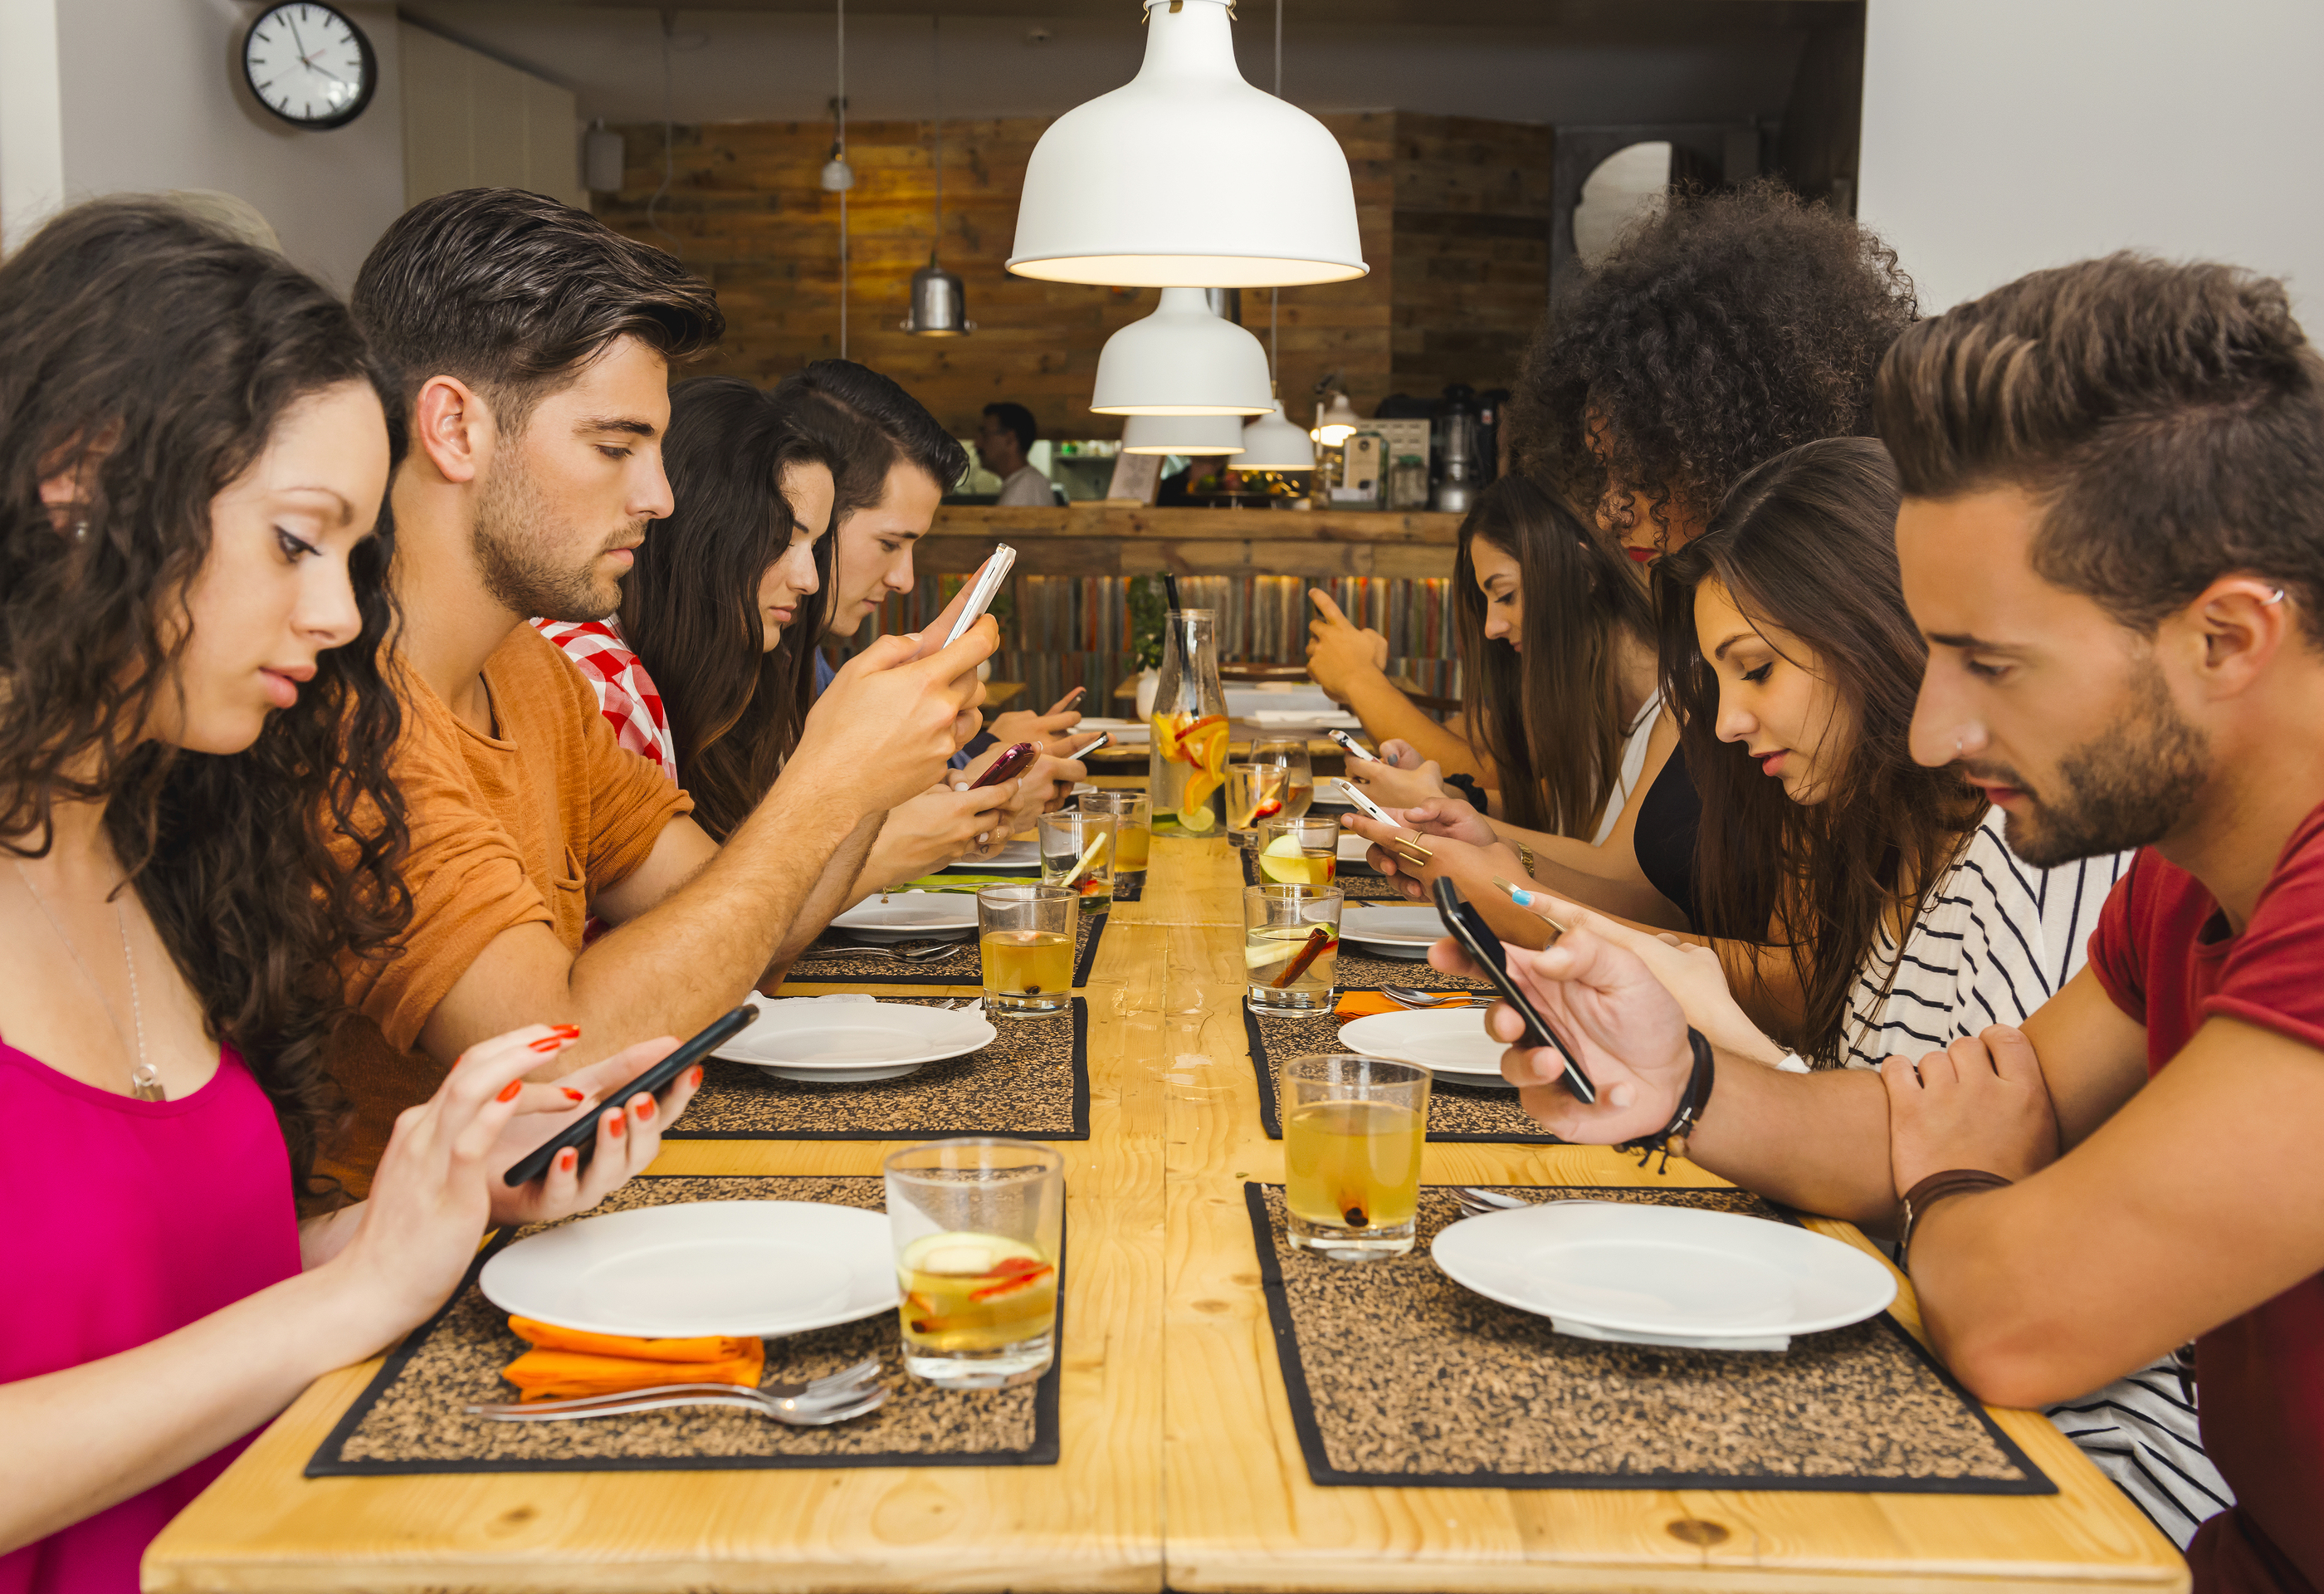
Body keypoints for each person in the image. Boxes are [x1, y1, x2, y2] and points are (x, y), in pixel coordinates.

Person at [1462, 255, 2324, 1588]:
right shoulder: (2181, 876)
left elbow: (2017, 1320)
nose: (1932, 731)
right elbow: (1911, 1114)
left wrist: (1954, 1184)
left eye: (1992, 662)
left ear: (2226, 640)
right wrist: (1677, 1080)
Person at [0, 199, 696, 1593]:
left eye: (352, 558)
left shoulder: (170, 851)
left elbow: (176, 1298)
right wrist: (358, 1297)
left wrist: (435, 1203)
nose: (333, 618)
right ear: (82, 481)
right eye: (294, 542)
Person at [326, 189, 993, 1194]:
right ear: (453, 428)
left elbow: (740, 930)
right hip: (400, 1267)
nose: (661, 497)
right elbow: (555, 1067)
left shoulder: (531, 672)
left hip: (557, 1214)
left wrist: (869, 771)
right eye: (613, 447)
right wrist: (828, 779)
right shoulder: (352, 718)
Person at [1323, 182, 1922, 932]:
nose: (1610, 509)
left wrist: (1508, 895)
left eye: (1638, 471)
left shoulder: (1828, 682)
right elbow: (1632, 883)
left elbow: (1793, 982)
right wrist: (1482, 846)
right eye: (1606, 474)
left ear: (1723, 446)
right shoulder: (1703, 663)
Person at [538, 376, 1024, 923]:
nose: (809, 579)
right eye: (780, 539)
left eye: (814, 547)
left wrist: (879, 791)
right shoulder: (598, 677)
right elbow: (715, 933)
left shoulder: (741, 667)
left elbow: (727, 908)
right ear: (699, 530)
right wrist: (873, 820)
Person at [774, 359, 1097, 790]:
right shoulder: (742, 661)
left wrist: (986, 748)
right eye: (889, 543)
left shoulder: (802, 655)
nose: (904, 581)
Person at [1346, 475, 1667, 858]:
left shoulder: (1678, 710)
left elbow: (1616, 878)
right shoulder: (1592, 695)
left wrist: (1439, 809)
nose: (1491, 627)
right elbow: (1560, 818)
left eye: (1506, 595)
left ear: (1583, 573)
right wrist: (1448, 797)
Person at [976, 401, 1056, 507]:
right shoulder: (1025, 483)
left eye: (985, 435)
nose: (977, 444)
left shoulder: (1026, 487)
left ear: (1010, 439)